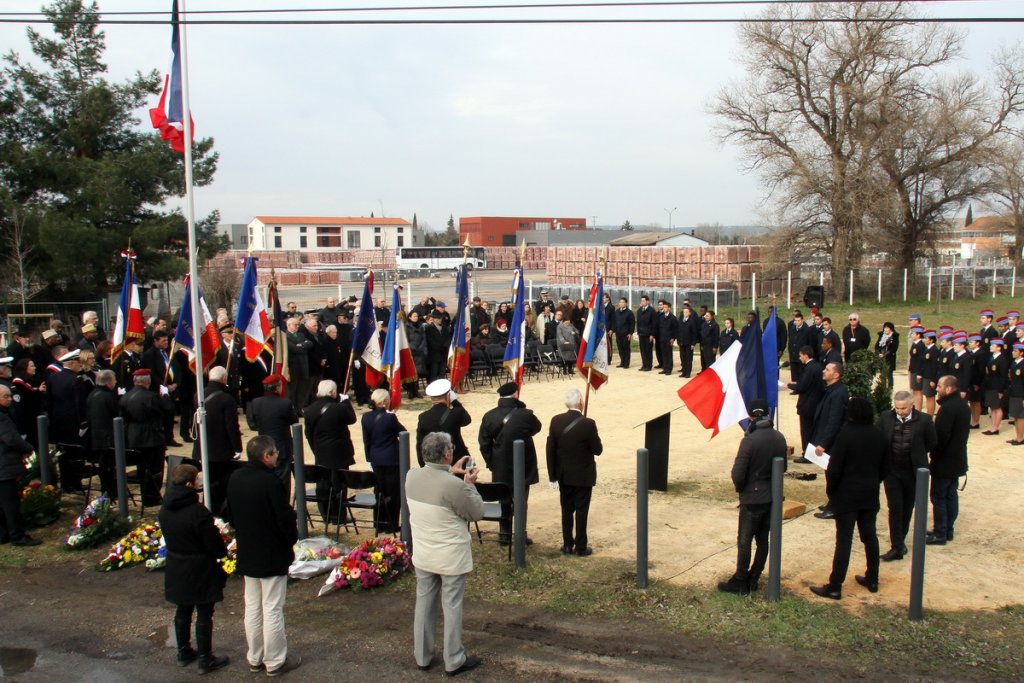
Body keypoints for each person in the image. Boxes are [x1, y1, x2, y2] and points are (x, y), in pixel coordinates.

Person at [407, 431, 485, 676]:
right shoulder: (453, 486)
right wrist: (469, 486)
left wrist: (452, 473)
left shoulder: (412, 476)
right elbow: (476, 513)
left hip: (424, 552)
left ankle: (423, 655)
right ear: (448, 454)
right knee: (451, 606)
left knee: (424, 603)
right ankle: (453, 659)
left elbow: (436, 486)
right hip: (449, 555)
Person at [225, 435, 301, 677]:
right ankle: (275, 660)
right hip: (270, 552)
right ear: (265, 456)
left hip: (249, 549)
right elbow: (283, 518)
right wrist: (290, 537)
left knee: (253, 607)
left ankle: (255, 656)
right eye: (275, 452)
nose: (277, 455)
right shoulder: (270, 482)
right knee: (271, 608)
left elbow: (231, 514)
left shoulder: (236, 477)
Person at [809, 397, 887, 600]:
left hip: (846, 496)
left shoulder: (846, 435)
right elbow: (886, 467)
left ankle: (835, 586)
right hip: (870, 494)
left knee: (844, 541)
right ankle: (872, 578)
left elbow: (833, 469)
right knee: (870, 537)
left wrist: (832, 493)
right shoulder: (879, 435)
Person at [160, 463, 230, 673]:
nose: (200, 482)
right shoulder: (197, 512)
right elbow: (214, 545)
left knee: (183, 609)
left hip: (177, 564)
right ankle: (205, 658)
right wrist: (221, 550)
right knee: (204, 612)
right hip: (199, 567)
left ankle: (183, 651)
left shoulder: (166, 508)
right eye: (197, 479)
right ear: (190, 484)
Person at [717, 399, 787, 595]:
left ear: (750, 416)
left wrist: (742, 489)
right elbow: (783, 468)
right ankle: (754, 577)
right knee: (763, 539)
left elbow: (738, 473)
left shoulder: (750, 440)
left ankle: (740, 579)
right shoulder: (779, 438)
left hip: (753, 496)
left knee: (745, 539)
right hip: (772, 495)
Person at [478, 382, 542, 545]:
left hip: (500, 466)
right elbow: (537, 428)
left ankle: (504, 535)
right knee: (521, 502)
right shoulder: (525, 414)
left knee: (504, 501)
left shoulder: (489, 416)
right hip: (523, 466)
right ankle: (521, 533)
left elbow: (484, 443)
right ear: (515, 395)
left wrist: (491, 462)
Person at [876, 390, 936, 561]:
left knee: (907, 507)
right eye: (897, 408)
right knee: (895, 507)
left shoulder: (924, 420)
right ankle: (897, 546)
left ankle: (900, 540)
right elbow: (879, 438)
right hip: (892, 471)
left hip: (913, 471)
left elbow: (932, 442)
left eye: (903, 408)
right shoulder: (886, 417)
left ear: (912, 405)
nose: (900, 412)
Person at [546, 388, 603, 556]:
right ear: (581, 403)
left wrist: (552, 476)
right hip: (583, 475)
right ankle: (581, 546)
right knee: (581, 511)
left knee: (566, 510)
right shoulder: (588, 423)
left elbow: (550, 449)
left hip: (563, 474)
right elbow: (597, 450)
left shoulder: (556, 421)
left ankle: (567, 544)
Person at [303, 380, 357, 526]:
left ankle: (326, 515)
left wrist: (315, 448)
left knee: (323, 484)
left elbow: (308, 433)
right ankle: (339, 515)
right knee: (339, 485)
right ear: (333, 392)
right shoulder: (339, 408)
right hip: (339, 452)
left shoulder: (310, 409)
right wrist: (346, 402)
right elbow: (352, 419)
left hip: (321, 452)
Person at [120, 368, 175, 506]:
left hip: (134, 436)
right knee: (155, 469)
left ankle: (146, 496)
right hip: (152, 437)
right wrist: (166, 395)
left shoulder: (125, 397)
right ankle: (152, 497)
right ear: (148, 381)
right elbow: (168, 409)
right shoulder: (152, 396)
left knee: (142, 468)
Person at [927, 376, 971, 546]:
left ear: (949, 389)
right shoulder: (962, 405)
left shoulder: (948, 408)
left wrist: (933, 453)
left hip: (945, 460)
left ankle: (940, 532)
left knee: (939, 496)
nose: (937, 389)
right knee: (950, 495)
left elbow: (941, 437)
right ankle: (947, 529)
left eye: (940, 386)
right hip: (957, 458)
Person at [0, 384, 41, 547]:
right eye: (6, 396)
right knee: (10, 503)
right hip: (5, 464)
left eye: (10, 396)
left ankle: (4, 534)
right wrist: (28, 448)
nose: (10, 399)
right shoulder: (2, 416)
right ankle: (17, 535)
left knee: (3, 503)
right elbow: (11, 438)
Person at [361, 388, 407, 533]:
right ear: (384, 401)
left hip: (376, 459)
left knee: (379, 491)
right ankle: (391, 524)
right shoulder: (389, 418)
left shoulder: (366, 417)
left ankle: (378, 523)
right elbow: (402, 431)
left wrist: (369, 459)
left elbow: (366, 441)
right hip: (391, 459)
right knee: (393, 494)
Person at [806, 363, 849, 515]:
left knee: (833, 475)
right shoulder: (832, 390)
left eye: (828, 370)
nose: (824, 371)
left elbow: (834, 421)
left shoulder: (838, 394)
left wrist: (824, 443)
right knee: (829, 474)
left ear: (836, 375)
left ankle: (834, 507)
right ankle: (833, 502)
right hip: (829, 440)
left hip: (833, 443)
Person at [199, 366, 243, 515]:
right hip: (221, 449)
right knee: (221, 483)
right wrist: (237, 447)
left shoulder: (198, 394)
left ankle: (209, 507)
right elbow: (231, 426)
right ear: (224, 379)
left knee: (209, 481)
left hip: (203, 446)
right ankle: (220, 511)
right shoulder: (226, 398)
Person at [245, 374, 300, 495]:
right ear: (277, 388)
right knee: (282, 479)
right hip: (281, 447)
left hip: (262, 445)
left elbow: (252, 424)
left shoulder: (256, 402)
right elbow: (294, 420)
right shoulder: (285, 403)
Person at [416, 379, 472, 467]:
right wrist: (455, 401)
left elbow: (420, 444)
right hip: (457, 460)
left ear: (431, 398)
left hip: (435, 462)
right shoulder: (456, 413)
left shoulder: (423, 417)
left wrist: (423, 466)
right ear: (448, 396)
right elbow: (467, 420)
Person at [86, 369, 121, 498]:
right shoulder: (109, 396)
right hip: (109, 438)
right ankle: (111, 492)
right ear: (108, 382)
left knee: (104, 466)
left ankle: (108, 490)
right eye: (114, 379)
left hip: (95, 437)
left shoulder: (92, 394)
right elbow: (117, 416)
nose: (116, 382)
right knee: (108, 467)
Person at [787, 346, 823, 455]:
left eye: (800, 355)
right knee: (812, 430)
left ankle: (807, 454)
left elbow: (802, 387)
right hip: (815, 403)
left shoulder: (809, 368)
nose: (799, 357)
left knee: (806, 431)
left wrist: (790, 385)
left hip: (807, 404)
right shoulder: (817, 366)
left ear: (806, 356)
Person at [982, 339, 1009, 434]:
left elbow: (1003, 376)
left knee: (997, 407)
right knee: (992, 407)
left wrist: (1000, 390)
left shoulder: (1002, 359)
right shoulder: (992, 357)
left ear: (999, 348)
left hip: (997, 387)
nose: (990, 347)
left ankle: (995, 427)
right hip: (990, 385)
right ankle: (993, 426)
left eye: (993, 346)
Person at [1007, 343, 1024, 446]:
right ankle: (1018, 436)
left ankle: (1020, 438)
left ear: (1022, 353)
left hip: (1021, 394)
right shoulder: (1014, 363)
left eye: (1015, 351)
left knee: (1021, 417)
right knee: (1016, 416)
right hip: (1013, 392)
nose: (1013, 352)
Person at [787, 311, 812, 382]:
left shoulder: (807, 329)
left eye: (798, 320)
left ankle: (801, 386)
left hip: (802, 354)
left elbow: (809, 342)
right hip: (793, 354)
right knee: (794, 372)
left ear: (802, 320)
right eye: (796, 320)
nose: (797, 322)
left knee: (801, 372)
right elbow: (791, 340)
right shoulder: (792, 328)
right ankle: (795, 386)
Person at [676, 304, 699, 378]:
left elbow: (694, 333)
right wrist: (678, 341)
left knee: (688, 358)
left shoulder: (692, 322)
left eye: (686, 312)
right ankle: (684, 372)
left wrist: (693, 343)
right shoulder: (680, 320)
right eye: (684, 312)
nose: (685, 313)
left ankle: (688, 373)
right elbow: (678, 332)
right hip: (682, 343)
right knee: (683, 358)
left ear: (689, 313)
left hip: (689, 343)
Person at [876, 322, 900, 387]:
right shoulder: (881, 335)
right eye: (885, 328)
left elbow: (894, 349)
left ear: (891, 329)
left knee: (889, 375)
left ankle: (890, 389)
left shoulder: (894, 337)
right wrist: (878, 353)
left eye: (887, 328)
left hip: (890, 358)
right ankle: (882, 389)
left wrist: (885, 354)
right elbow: (877, 346)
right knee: (882, 375)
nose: (885, 329)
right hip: (881, 358)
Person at [635, 296, 656, 372]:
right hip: (641, 333)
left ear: (647, 301)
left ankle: (649, 365)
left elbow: (654, 323)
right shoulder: (639, 310)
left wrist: (652, 334)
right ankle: (644, 365)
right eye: (641, 301)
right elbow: (638, 322)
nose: (642, 302)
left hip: (648, 334)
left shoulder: (651, 311)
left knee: (648, 350)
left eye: (643, 301)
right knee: (642, 350)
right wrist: (638, 331)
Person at [657, 300, 678, 376]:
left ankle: (669, 369)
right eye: (664, 307)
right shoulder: (661, 316)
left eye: (666, 307)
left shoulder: (673, 318)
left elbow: (676, 329)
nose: (664, 308)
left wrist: (673, 338)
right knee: (663, 354)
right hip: (662, 338)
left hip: (669, 339)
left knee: (669, 354)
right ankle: (665, 368)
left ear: (669, 308)